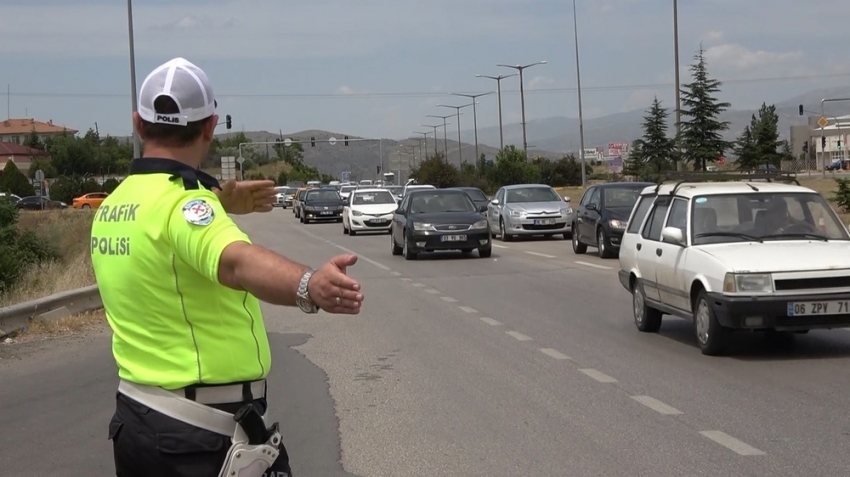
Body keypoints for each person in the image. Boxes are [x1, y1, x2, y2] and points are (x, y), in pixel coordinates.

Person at [91, 57, 364, 477]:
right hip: (197, 438)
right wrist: (310, 285)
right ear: (210, 126)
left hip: (136, 422)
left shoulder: (114, 205)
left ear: (138, 125)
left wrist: (218, 198)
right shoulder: (186, 205)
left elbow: (165, 242)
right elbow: (235, 263)